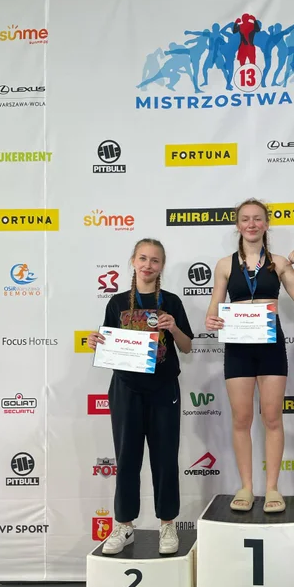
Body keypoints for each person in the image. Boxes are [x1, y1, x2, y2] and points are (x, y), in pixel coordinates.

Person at [205, 199, 294, 513]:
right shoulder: (224, 265)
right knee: (241, 419)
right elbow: (214, 307)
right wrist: (211, 320)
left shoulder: (278, 262)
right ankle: (246, 487)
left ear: (266, 224)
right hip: (238, 347)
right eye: (245, 219)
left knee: (272, 418)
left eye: (257, 219)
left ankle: (272, 488)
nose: (251, 224)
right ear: (238, 225)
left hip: (270, 346)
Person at [87, 238, 193, 555]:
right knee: (127, 459)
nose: (148, 265)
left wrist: (173, 328)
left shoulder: (171, 301)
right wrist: (96, 342)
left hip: (163, 389)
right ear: (133, 261)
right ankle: (124, 525)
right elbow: (108, 344)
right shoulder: (117, 302)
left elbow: (187, 347)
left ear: (162, 266)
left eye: (155, 260)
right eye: (143, 258)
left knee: (165, 459)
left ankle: (167, 524)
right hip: (126, 389)